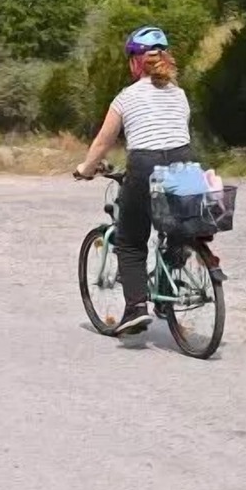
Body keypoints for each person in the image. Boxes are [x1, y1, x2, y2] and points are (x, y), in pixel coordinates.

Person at [76, 26, 195, 336]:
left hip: (145, 165)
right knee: (176, 228)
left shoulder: (126, 98)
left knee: (130, 241)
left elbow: (103, 142)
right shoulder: (179, 94)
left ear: (134, 62)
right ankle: (170, 285)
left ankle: (136, 309)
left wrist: (86, 168)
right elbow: (176, 133)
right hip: (185, 163)